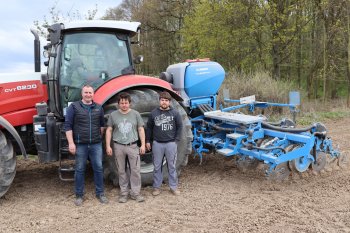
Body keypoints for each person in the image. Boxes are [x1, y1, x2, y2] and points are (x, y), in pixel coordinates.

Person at [64, 84, 108, 206]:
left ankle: (100, 193)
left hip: (95, 144)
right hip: (80, 144)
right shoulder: (74, 107)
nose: (88, 95)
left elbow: (101, 126)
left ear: (93, 94)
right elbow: (68, 126)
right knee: (79, 169)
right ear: (82, 94)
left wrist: (98, 137)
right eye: (86, 92)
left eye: (90, 93)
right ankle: (79, 195)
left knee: (98, 168)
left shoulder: (99, 108)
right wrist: (71, 143)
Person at [105, 92, 146, 203]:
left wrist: (142, 144)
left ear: (130, 103)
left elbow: (140, 129)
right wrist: (108, 146)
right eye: (122, 103)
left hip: (133, 146)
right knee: (121, 171)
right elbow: (109, 130)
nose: (124, 105)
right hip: (118, 146)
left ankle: (135, 193)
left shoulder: (136, 114)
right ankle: (124, 193)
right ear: (118, 104)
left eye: (126, 103)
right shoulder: (113, 115)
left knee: (135, 170)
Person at [146, 91, 183, 196]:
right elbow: (149, 128)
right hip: (157, 143)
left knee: (171, 166)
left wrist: (176, 140)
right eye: (162, 100)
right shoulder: (154, 113)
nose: (164, 102)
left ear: (169, 102)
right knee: (157, 166)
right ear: (159, 101)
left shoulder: (175, 113)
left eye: (166, 100)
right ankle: (156, 188)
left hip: (171, 143)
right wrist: (148, 141)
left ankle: (173, 187)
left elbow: (180, 126)